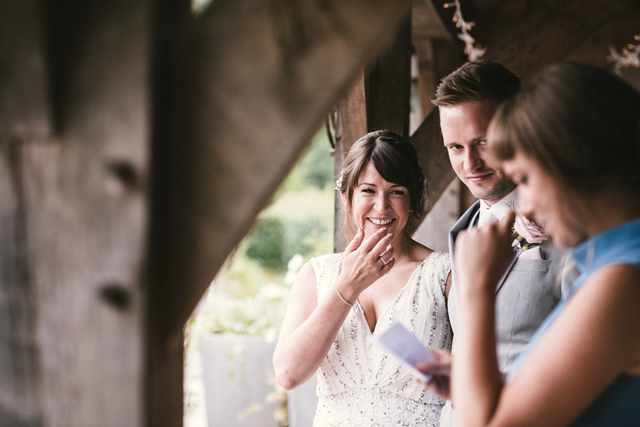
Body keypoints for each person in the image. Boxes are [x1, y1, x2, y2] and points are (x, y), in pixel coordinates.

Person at [421, 61, 640, 426]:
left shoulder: (626, 278)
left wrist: (477, 289)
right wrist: (477, 383)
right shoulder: (614, 265)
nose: (528, 205)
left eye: (525, 177)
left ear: (574, 162)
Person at [273, 130, 453, 426]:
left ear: (412, 199)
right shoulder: (316, 274)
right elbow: (288, 374)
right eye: (368, 191)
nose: (381, 206)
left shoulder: (444, 275)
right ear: (347, 196)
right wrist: (347, 286)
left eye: (396, 191)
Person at [432, 60, 576, 426]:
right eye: (455, 147)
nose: (470, 163)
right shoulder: (461, 233)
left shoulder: (570, 223)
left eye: (482, 142)